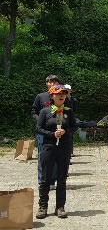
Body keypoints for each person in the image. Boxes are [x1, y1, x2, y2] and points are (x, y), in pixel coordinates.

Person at [35, 84, 77, 219]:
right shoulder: (45, 111)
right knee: (45, 178)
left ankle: (60, 206)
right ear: (52, 96)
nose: (62, 96)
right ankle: (43, 206)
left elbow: (74, 127)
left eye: (63, 93)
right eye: (58, 93)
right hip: (49, 147)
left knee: (62, 178)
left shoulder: (68, 112)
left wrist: (65, 131)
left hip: (64, 148)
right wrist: (52, 134)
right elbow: (38, 129)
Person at [31, 74, 61, 186]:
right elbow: (33, 112)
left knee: (55, 156)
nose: (51, 83)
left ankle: (52, 180)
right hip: (42, 132)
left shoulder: (62, 97)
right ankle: (42, 181)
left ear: (58, 84)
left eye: (54, 81)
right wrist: (41, 120)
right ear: (46, 84)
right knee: (42, 156)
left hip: (56, 131)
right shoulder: (41, 97)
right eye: (49, 82)